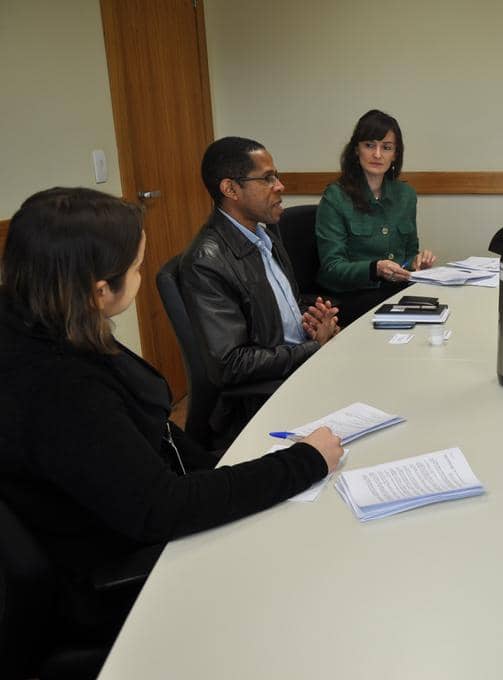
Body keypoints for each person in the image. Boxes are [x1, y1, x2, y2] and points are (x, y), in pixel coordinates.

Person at [0, 187, 345, 653]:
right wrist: (304, 462)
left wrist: (234, 466)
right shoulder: (60, 387)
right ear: (100, 291)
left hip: (115, 518)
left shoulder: (37, 320)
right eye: (137, 267)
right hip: (127, 577)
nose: (142, 275)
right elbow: (162, 508)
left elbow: (153, 446)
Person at [181, 136, 340, 444]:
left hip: (297, 371)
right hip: (262, 401)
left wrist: (317, 319)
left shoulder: (264, 236)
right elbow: (232, 364)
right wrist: (313, 348)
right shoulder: (206, 262)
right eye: (268, 179)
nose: (280, 186)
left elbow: (279, 307)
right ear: (231, 190)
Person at [315, 109, 436, 325]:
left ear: (395, 154)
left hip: (397, 291)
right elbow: (332, 268)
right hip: (352, 297)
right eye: (370, 145)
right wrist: (375, 268)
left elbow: (408, 254)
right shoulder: (335, 196)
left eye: (386, 147)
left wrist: (416, 264)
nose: (378, 154)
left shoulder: (406, 195)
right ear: (356, 150)